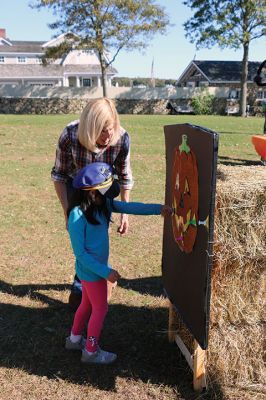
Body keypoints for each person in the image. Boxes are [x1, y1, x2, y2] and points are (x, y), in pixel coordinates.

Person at [65, 162, 172, 364]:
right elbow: (81, 254)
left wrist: (158, 209)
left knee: (87, 305)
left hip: (94, 271)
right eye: (104, 190)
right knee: (100, 309)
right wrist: (105, 272)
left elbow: (130, 207)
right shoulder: (76, 216)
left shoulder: (103, 203)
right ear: (91, 193)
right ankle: (90, 351)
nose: (109, 195)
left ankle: (74, 339)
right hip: (92, 272)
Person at [51, 98, 134, 308]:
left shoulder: (122, 138)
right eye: (102, 131)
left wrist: (125, 214)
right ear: (89, 128)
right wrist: (67, 212)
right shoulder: (69, 135)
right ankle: (82, 287)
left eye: (111, 129)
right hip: (76, 185)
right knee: (80, 238)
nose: (108, 137)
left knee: (96, 237)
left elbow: (124, 177)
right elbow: (59, 176)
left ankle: (86, 286)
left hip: (103, 188)